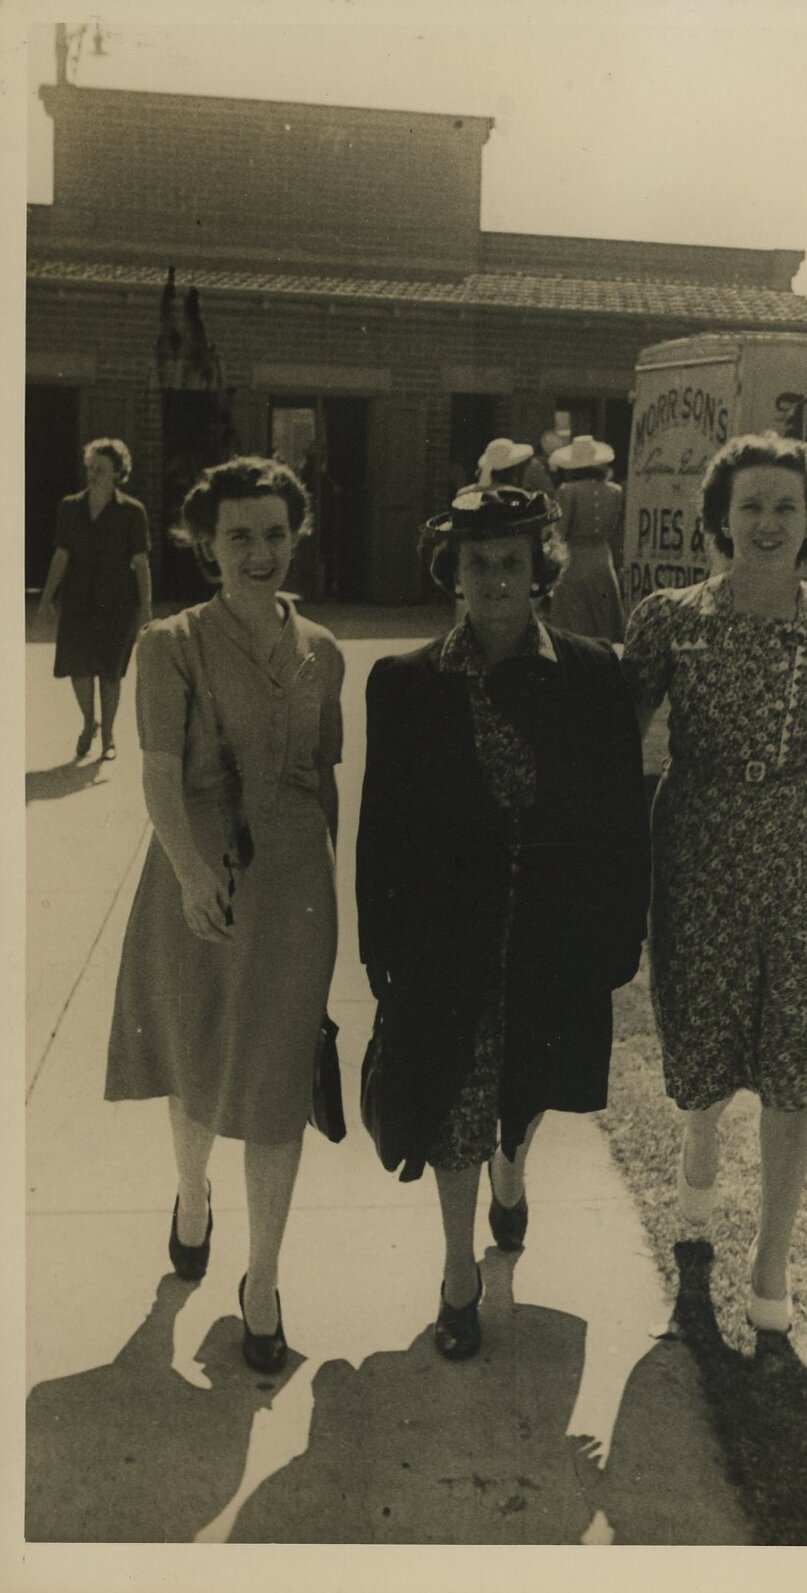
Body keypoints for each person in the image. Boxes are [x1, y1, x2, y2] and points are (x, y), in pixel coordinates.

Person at [621, 432, 807, 1332]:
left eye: (787, 507)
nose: (769, 522)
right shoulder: (669, 619)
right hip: (699, 846)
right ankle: (700, 1145)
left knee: (800, 1049)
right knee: (700, 1035)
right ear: (721, 518)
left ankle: (771, 1253)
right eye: (751, 505)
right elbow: (613, 741)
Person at [356, 485, 650, 1361]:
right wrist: (382, 951)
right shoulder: (405, 682)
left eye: (510, 562)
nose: (492, 578)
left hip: (550, 934)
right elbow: (381, 829)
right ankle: (456, 1275)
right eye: (475, 562)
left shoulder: (596, 673)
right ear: (454, 573)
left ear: (539, 573)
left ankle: (512, 1170)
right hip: (451, 942)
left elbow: (620, 821)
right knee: (455, 1104)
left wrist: (617, 935)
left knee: (521, 1092)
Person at [105, 456, 345, 1373]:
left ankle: (264, 1280)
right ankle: (192, 1194)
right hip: (195, 872)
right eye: (239, 535)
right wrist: (193, 872)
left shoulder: (323, 648)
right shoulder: (169, 644)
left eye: (275, 534)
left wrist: (334, 894)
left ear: (297, 535)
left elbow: (323, 779)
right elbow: (159, 777)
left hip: (293, 888)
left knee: (279, 1076)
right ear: (205, 543)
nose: (260, 552)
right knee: (200, 1051)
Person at [38, 438, 153, 761]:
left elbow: (141, 563)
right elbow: (61, 554)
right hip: (77, 599)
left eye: (101, 469)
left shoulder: (132, 512)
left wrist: (146, 607)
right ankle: (89, 723)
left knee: (110, 672)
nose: (94, 475)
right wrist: (47, 597)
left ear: (118, 472)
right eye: (90, 468)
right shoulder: (69, 507)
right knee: (78, 668)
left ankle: (109, 734)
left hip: (118, 602)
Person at [545, 435, 626, 642]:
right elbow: (617, 531)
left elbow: (560, 532)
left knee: (573, 620)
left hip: (574, 558)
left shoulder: (568, 490)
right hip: (602, 558)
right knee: (602, 618)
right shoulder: (615, 491)